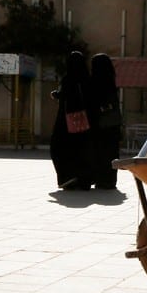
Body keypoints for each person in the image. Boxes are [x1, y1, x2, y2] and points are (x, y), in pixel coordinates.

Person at [49, 51, 94, 190]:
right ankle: (84, 180)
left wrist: (56, 95)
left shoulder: (68, 79)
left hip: (66, 123)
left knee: (59, 147)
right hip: (86, 122)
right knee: (83, 150)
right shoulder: (88, 80)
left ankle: (67, 177)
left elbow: (65, 95)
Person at [87, 53, 122, 190]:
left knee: (98, 152)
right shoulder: (111, 81)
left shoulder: (93, 82)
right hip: (112, 125)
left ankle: (99, 178)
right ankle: (109, 180)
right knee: (111, 153)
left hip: (97, 125)